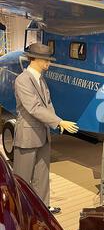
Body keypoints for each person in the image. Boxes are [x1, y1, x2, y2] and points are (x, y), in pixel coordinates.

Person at [13, 43, 79, 214]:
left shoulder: (40, 79)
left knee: (42, 174)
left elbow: (48, 104)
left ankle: (43, 207)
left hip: (42, 133)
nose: (49, 63)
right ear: (35, 59)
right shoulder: (22, 80)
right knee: (22, 177)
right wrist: (58, 122)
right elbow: (33, 107)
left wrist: (56, 123)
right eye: (47, 60)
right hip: (27, 134)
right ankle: (20, 211)